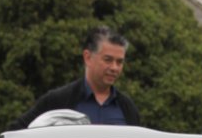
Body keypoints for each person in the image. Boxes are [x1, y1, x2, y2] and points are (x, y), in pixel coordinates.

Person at [9, 28, 140, 129]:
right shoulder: (58, 101)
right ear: (87, 57)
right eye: (108, 60)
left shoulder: (127, 108)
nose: (114, 68)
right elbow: (15, 132)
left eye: (119, 62)